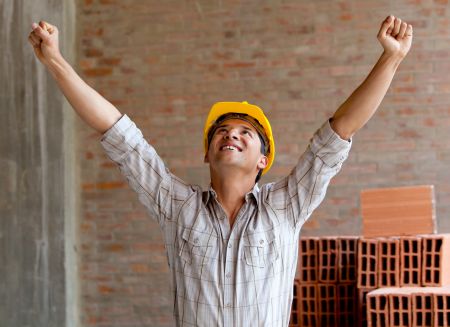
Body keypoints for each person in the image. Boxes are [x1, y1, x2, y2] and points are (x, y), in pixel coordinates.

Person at [28, 15, 413, 326]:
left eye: (247, 132)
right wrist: (55, 61)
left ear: (264, 159)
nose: (232, 135)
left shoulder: (286, 206)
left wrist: (390, 58)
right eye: (223, 131)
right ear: (207, 154)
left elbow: (339, 131)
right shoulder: (177, 205)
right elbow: (119, 135)